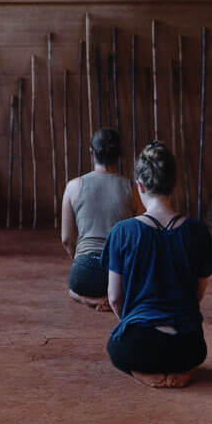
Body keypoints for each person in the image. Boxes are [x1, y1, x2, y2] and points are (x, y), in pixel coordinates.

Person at [102, 141, 212, 388]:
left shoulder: (123, 232)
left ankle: (140, 371)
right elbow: (198, 293)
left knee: (115, 348)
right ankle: (184, 370)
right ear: (174, 184)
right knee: (193, 349)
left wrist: (130, 322)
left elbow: (114, 298)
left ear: (140, 186)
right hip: (189, 346)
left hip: (141, 346)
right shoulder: (198, 231)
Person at [62, 127, 136, 309]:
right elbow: (140, 234)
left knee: (72, 290)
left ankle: (90, 299)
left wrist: (79, 260)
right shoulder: (132, 188)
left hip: (84, 273)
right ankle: (114, 297)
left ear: (91, 152)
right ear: (119, 155)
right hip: (119, 273)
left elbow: (66, 239)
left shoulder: (73, 186)